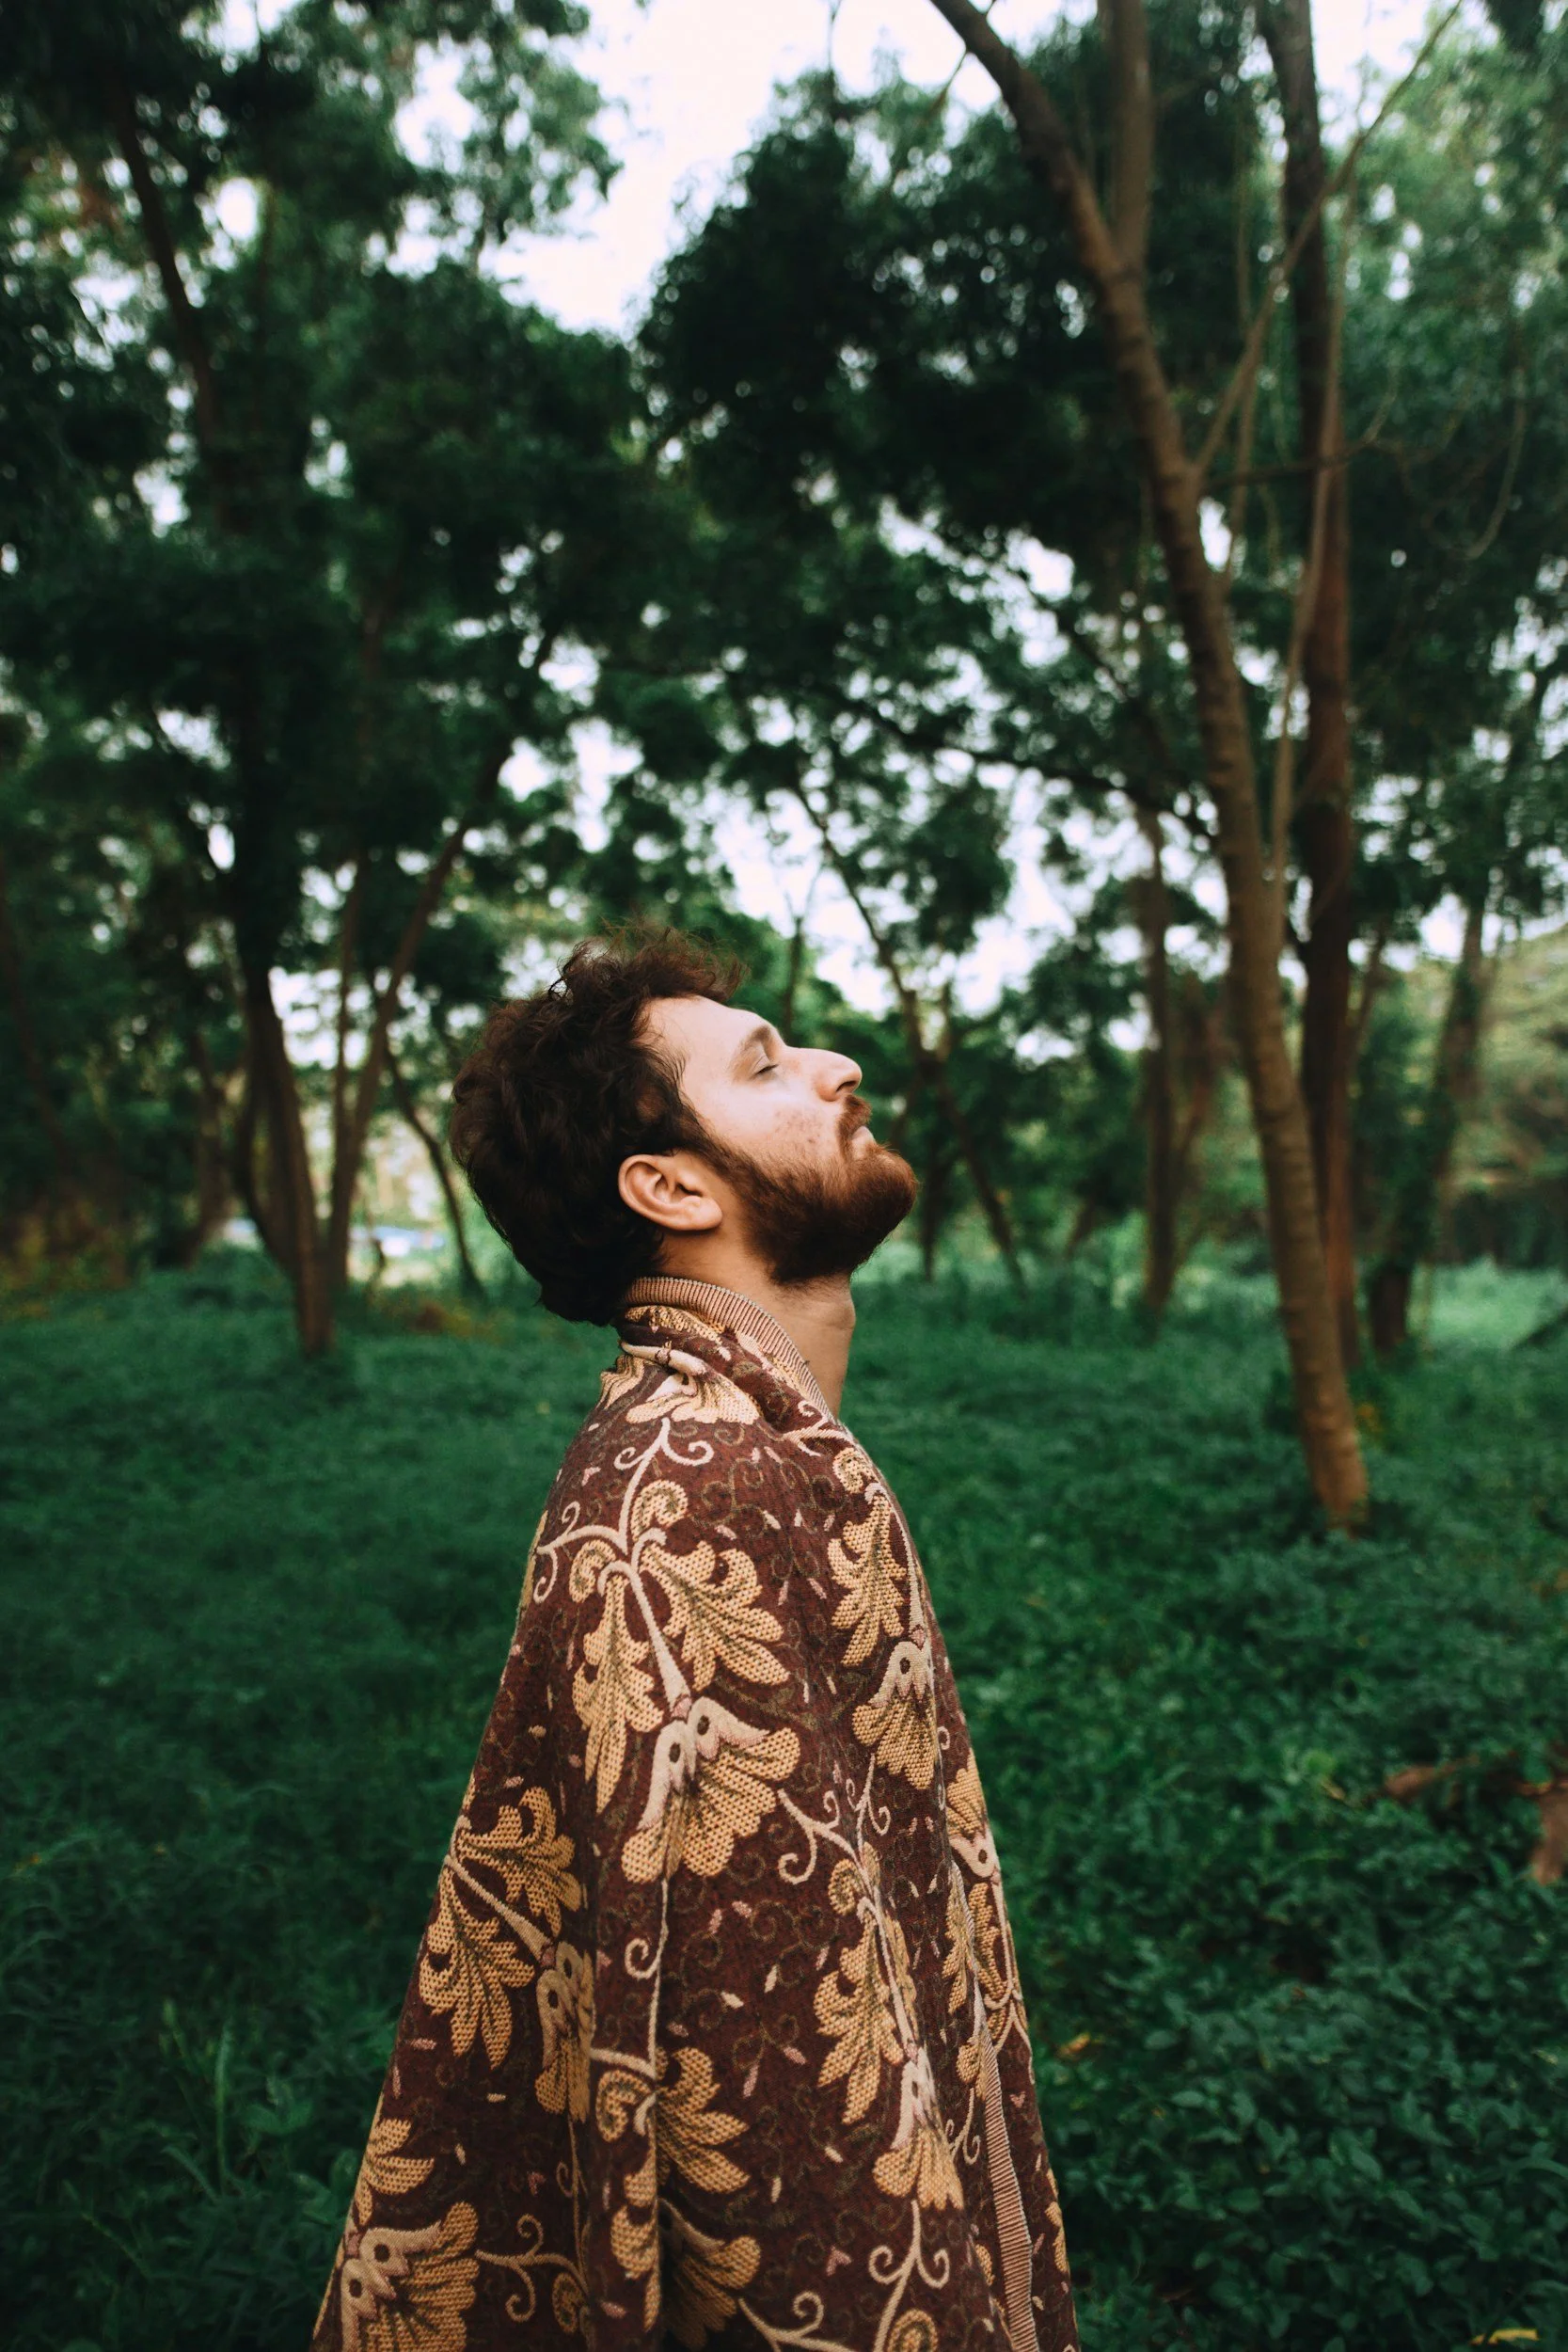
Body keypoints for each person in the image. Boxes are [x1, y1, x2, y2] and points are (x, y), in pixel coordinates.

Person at [310, 930, 1078, 2352]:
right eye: (766, 1065)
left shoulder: (745, 1440)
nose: (837, 1068)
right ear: (669, 1185)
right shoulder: (690, 1492)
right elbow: (769, 2072)